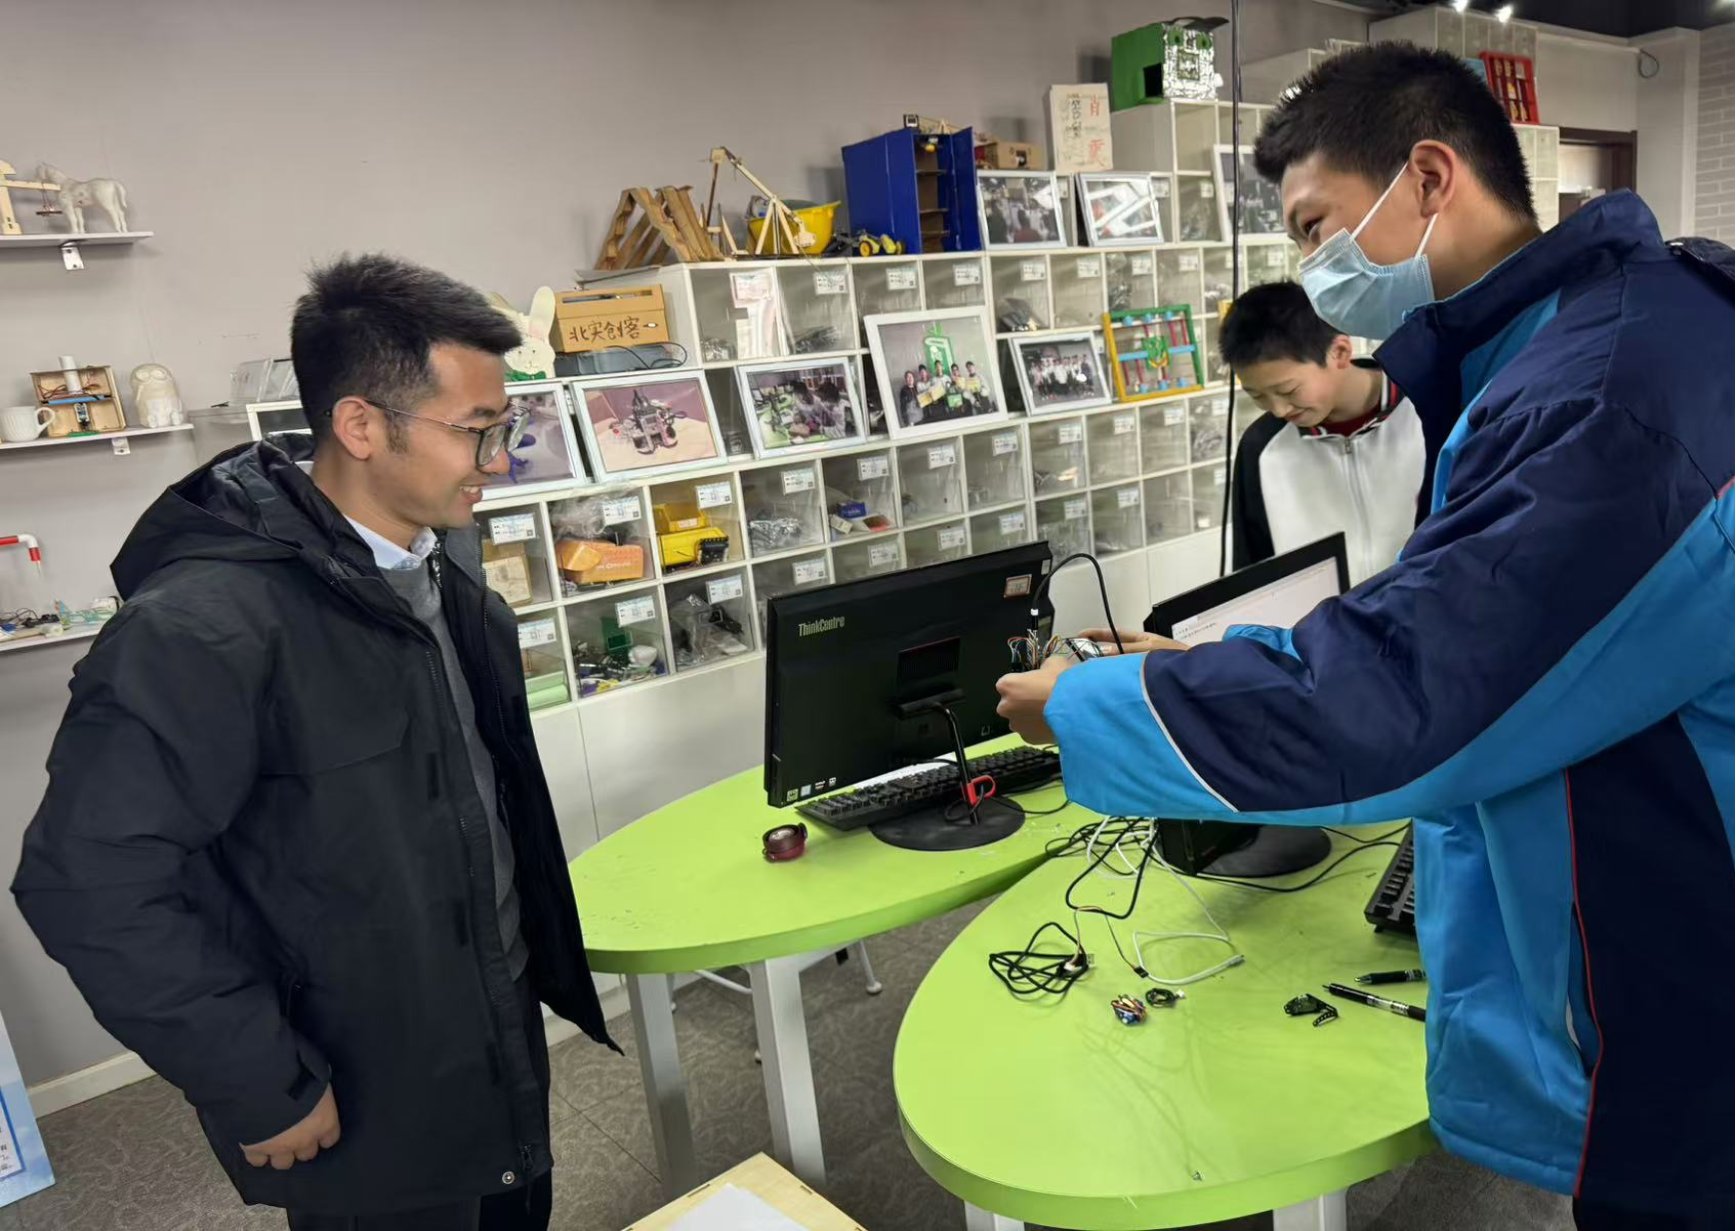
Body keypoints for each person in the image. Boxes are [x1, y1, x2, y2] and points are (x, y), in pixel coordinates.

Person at [996, 43, 1732, 1231]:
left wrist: (1091, 706)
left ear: (1427, 177)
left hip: (1677, 957)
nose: (1311, 271)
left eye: (1314, 227)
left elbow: (1405, 692)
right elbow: (1467, 618)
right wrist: (1204, 669)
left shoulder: (1597, 398)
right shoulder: (1598, 336)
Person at [13, 254, 615, 1230]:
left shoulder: (441, 561)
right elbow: (87, 881)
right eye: (475, 431)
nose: (497, 460)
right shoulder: (201, 628)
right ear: (361, 425)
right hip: (351, 1068)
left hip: (490, 1012)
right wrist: (257, 1077)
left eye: (502, 427)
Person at [1222, 279, 1422, 583]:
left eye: (1288, 390)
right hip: (1322, 615)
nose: (1279, 410)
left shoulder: (1429, 415)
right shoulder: (1262, 448)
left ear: (1339, 352)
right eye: (1258, 396)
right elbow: (1252, 573)